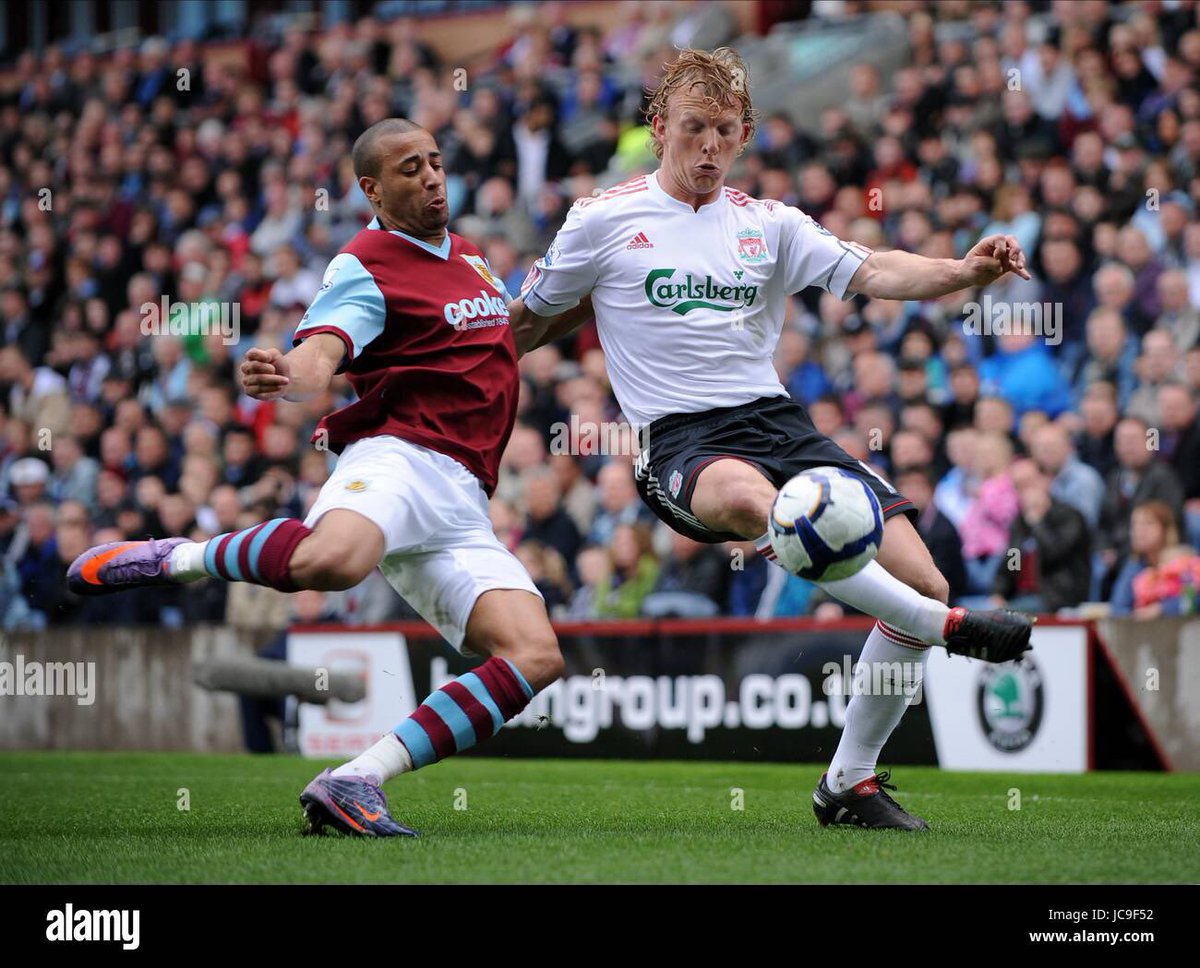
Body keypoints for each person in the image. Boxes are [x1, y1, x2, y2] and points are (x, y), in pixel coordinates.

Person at [508, 47, 1032, 830]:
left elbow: (876, 270)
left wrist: (964, 272)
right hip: (680, 441)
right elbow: (525, 323)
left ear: (745, 135)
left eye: (725, 131)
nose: (709, 146)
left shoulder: (770, 223)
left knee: (925, 580)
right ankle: (949, 634)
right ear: (659, 128)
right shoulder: (602, 219)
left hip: (779, 424)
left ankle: (849, 783)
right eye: (694, 127)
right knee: (763, 505)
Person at [66, 118, 573, 838]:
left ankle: (355, 779)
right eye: (410, 168)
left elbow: (506, 337)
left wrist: (599, 294)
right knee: (332, 562)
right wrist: (288, 373)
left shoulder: (470, 257)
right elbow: (321, 353)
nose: (432, 177)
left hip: (464, 498)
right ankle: (175, 558)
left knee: (535, 655)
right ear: (372, 189)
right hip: (399, 456)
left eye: (435, 161)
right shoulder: (364, 263)